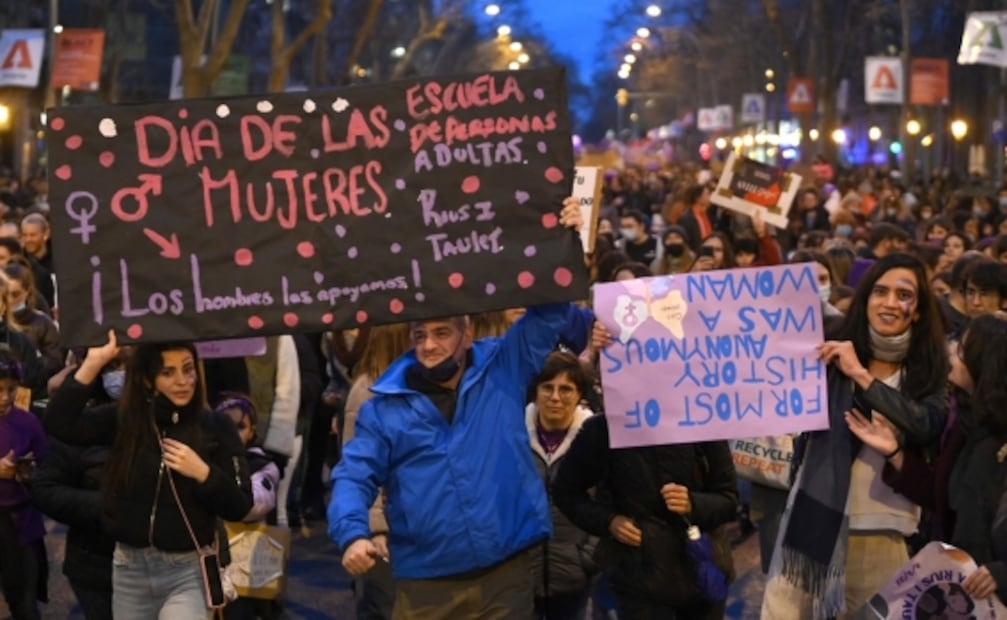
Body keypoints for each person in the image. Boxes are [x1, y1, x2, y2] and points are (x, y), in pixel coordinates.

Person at [329, 197, 583, 619]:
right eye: (420, 334)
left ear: (467, 334)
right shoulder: (382, 407)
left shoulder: (503, 365)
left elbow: (551, 309)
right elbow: (352, 476)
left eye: (442, 332)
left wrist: (562, 240)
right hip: (425, 585)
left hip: (506, 574)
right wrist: (352, 533)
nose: (429, 345)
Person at [760, 253, 949, 619]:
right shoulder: (830, 345)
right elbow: (740, 338)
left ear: (920, 309)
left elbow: (928, 424)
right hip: (811, 524)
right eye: (880, 291)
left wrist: (862, 376)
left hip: (885, 534)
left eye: (904, 294)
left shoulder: (930, 369)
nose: (890, 302)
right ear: (866, 300)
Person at [44, 332, 253, 619]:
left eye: (188, 368)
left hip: (187, 570)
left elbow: (240, 505)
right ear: (147, 379)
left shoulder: (216, 427)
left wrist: (203, 473)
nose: (182, 380)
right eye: (168, 372)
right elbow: (59, 424)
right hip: (129, 568)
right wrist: (94, 362)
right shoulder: (127, 420)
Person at [553, 323, 737, 620]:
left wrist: (693, 503)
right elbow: (566, 492)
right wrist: (609, 521)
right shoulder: (602, 430)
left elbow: (729, 499)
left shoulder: (702, 420)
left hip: (704, 575)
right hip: (638, 581)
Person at [852, 314, 1007, 604]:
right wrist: (894, 453)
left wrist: (1003, 573)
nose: (951, 352)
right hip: (963, 590)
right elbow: (941, 496)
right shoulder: (965, 425)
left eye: (961, 349)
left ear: (985, 362)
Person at [31, 347, 133, 620]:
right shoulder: (75, 422)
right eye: (112, 366)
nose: (119, 374)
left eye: (126, 364)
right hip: (96, 565)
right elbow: (45, 488)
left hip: (163, 566)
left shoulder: (166, 415)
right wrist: (105, 506)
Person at [341, 323, 412, 620]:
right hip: (381, 535)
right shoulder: (367, 391)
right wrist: (376, 527)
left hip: (410, 527)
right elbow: (359, 468)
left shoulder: (407, 387)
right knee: (381, 606)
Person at [525, 351, 597, 620]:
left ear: (579, 395)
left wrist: (587, 559)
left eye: (566, 389)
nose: (555, 397)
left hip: (574, 577)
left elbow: (608, 501)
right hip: (521, 578)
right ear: (535, 392)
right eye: (547, 387)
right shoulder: (513, 435)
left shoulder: (594, 440)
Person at [214, 393, 282, 620]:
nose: (233, 432)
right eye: (225, 425)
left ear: (252, 431)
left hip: (248, 564)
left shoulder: (263, 466)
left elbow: (253, 505)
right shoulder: (204, 460)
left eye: (240, 426)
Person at [0, 349, 48, 620]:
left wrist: (30, 474)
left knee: (25, 604)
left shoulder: (28, 422)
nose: (5, 397)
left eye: (11, 389)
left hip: (22, 522)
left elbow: (48, 467)